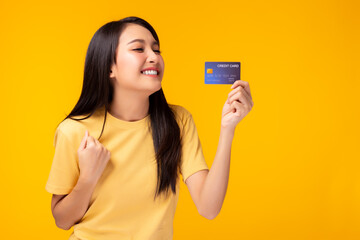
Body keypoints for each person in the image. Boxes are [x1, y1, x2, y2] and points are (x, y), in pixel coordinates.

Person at [45, 16, 254, 240]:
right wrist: (88, 178)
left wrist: (228, 128)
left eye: (157, 49)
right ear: (109, 68)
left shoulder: (178, 122)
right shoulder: (74, 131)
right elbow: (62, 220)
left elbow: (208, 208)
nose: (154, 57)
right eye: (138, 48)